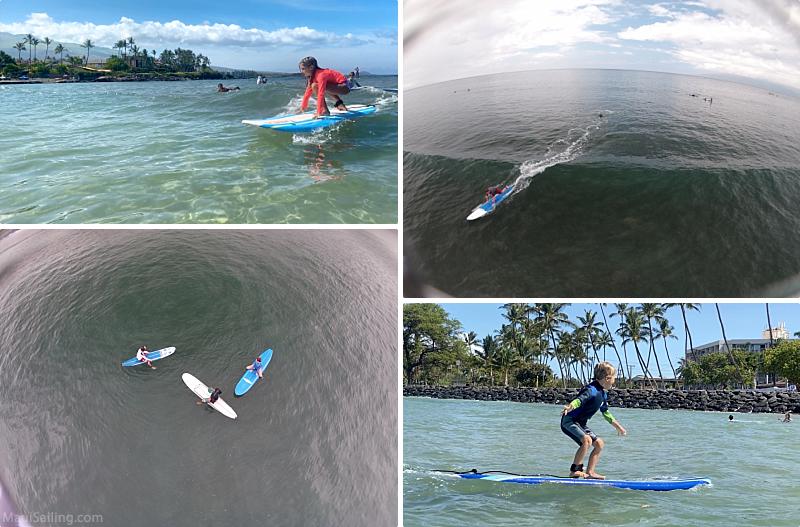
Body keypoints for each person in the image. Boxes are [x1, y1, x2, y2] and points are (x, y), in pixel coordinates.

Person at [560, 361, 627, 479]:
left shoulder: (602, 394)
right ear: (607, 378)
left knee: (599, 444)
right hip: (569, 421)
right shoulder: (591, 390)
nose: (614, 381)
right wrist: (570, 406)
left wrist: (618, 426)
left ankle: (590, 472)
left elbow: (605, 412)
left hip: (580, 423)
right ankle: (575, 470)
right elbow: (580, 399)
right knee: (586, 440)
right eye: (614, 378)